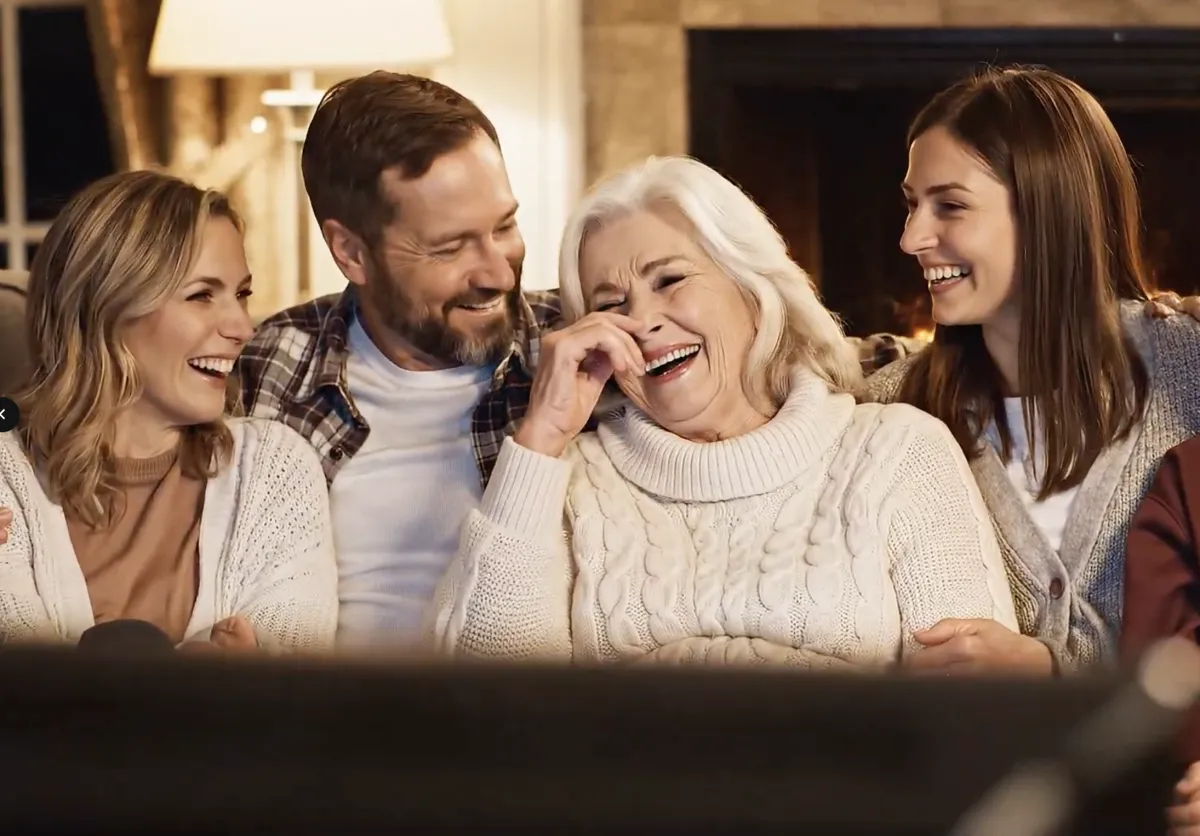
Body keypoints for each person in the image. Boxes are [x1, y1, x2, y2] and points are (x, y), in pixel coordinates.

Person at [424, 155, 1017, 666]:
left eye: (671, 280)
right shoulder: (568, 480)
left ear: (753, 289)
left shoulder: (898, 451)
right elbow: (488, 710)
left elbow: (969, 715)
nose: (644, 320)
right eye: (611, 303)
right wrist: (540, 440)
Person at [865, 66, 1200, 678]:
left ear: (1051, 212)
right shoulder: (889, 412)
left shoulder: (1191, 381)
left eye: (951, 206)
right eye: (913, 205)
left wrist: (1051, 673)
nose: (912, 237)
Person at [0, 170, 338, 652]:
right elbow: (25, 693)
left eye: (241, 294)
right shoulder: (6, 472)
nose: (242, 326)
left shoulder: (275, 468)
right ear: (105, 309)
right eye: (202, 295)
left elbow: (288, 670)